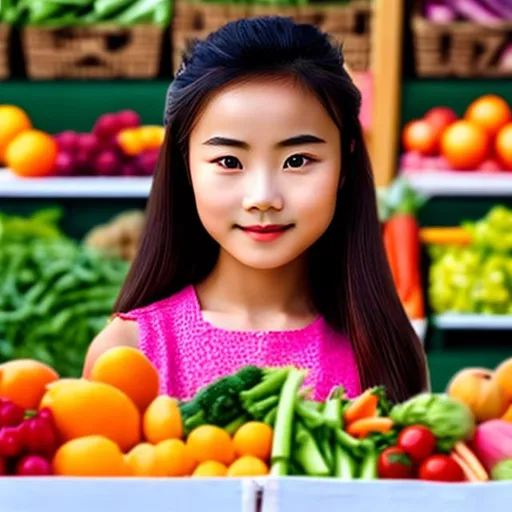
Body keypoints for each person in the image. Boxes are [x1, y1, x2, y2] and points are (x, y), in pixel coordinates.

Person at [83, 16, 429, 403]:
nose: (262, 197)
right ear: (185, 166)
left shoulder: (386, 352)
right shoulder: (129, 353)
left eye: (297, 160)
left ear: (345, 165)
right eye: (229, 161)